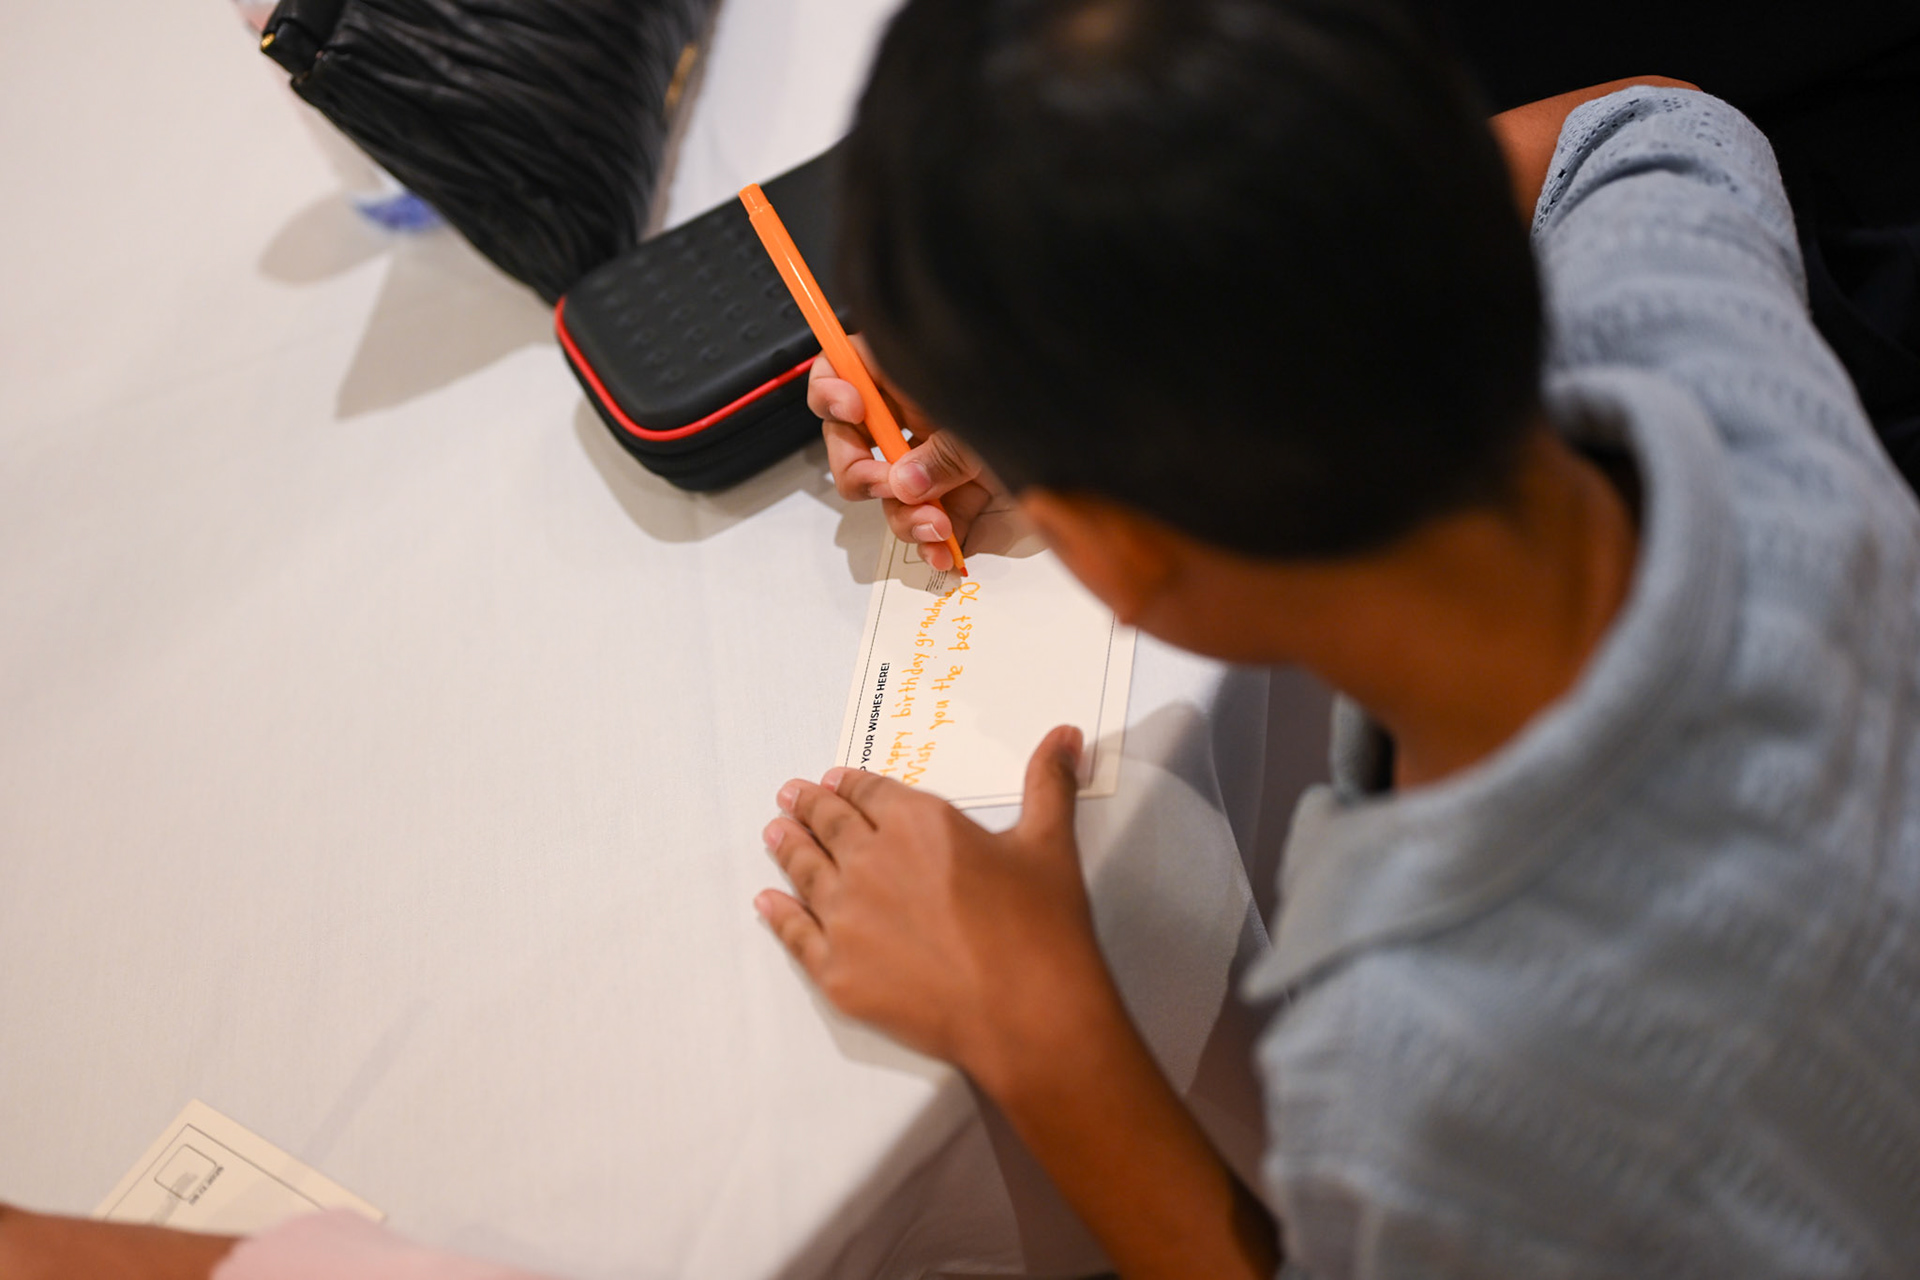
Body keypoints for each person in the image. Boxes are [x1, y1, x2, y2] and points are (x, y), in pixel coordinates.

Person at [7, 0, 1917, 1276]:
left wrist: (1046, 1025)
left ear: (1127, 557)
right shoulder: (1699, 348)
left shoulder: (1423, 1064)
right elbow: (1651, 126)